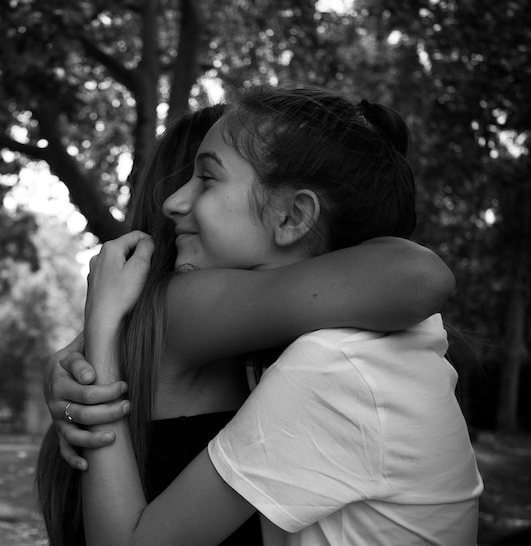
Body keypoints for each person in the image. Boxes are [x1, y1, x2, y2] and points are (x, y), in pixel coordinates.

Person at [39, 90, 460, 546]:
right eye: (190, 176)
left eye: (207, 179)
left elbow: (420, 275)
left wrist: (95, 337)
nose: (175, 203)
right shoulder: (323, 357)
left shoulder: (325, 362)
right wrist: (97, 337)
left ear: (294, 216)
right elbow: (418, 273)